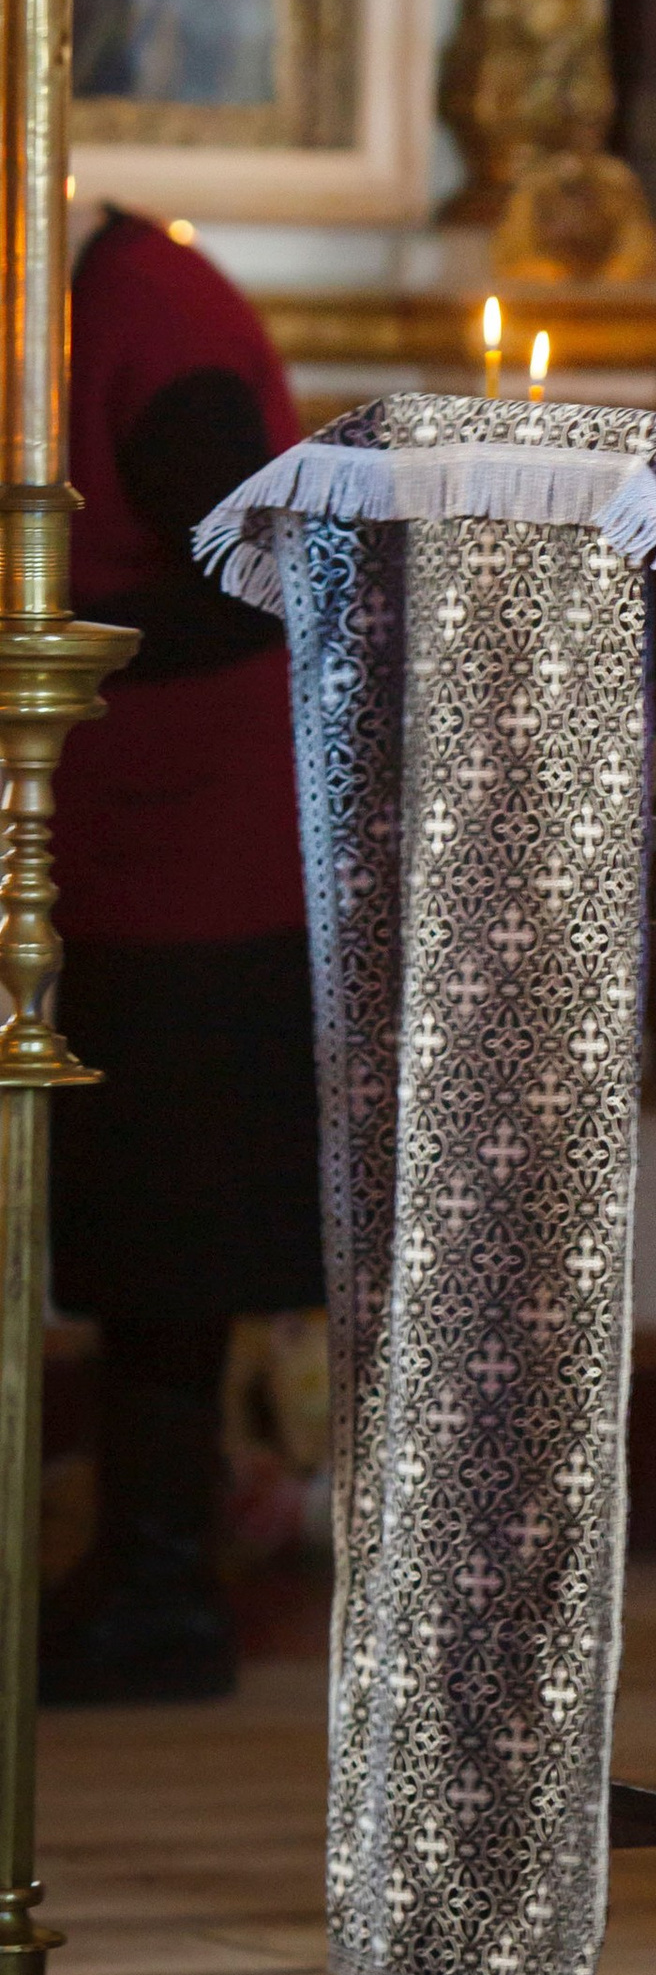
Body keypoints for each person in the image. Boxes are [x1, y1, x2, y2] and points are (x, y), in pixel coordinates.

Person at [42, 207, 322, 1704]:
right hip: (143, 851)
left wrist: (37, 623)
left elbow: (248, 576)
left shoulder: (150, 306)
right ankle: (144, 1572)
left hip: (200, 860)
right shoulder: (102, 290)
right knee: (142, 1233)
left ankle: (161, 1589)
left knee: (167, 1237)